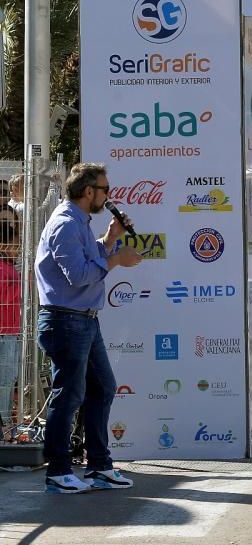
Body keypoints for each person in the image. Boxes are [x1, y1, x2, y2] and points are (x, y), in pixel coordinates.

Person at [33, 163, 142, 493]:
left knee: (103, 387)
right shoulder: (66, 224)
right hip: (65, 320)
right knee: (68, 396)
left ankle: (98, 466)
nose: (109, 196)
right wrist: (116, 259)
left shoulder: (79, 222)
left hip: (83, 320)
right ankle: (58, 471)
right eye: (105, 189)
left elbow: (88, 256)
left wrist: (110, 239)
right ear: (88, 192)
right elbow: (79, 275)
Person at [0, 220, 19, 440]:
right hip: (5, 332)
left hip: (11, 331)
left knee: (8, 379)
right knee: (5, 381)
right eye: (15, 245)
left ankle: (6, 423)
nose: (17, 249)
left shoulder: (11, 267)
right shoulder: (5, 269)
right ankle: (5, 425)